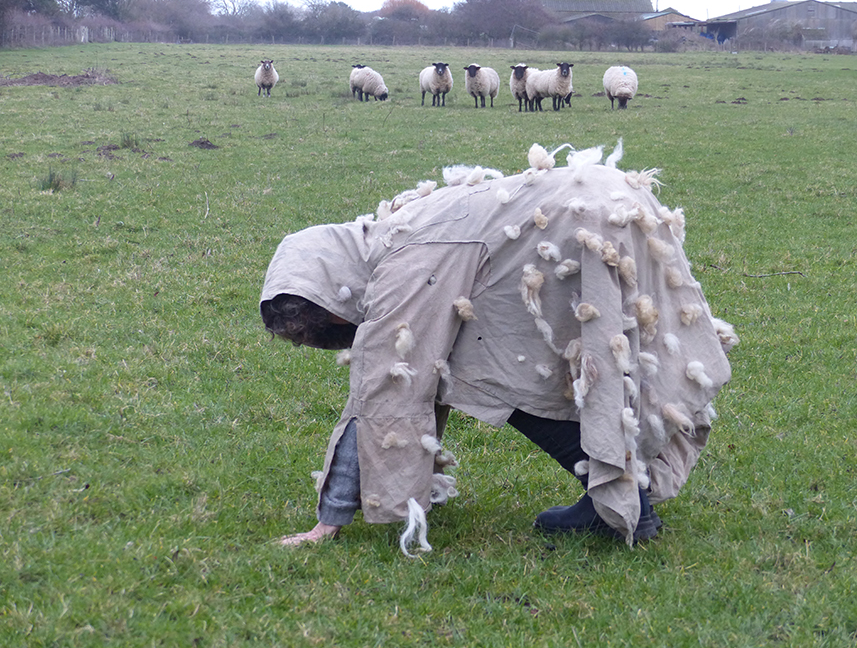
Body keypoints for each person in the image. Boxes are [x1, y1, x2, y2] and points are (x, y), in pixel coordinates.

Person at [260, 142, 736, 552]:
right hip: (614, 202)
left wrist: (330, 518)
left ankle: (618, 496)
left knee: (486, 373)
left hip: (585, 223)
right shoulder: (399, 229)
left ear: (329, 287)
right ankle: (617, 492)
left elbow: (383, 391)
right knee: (519, 360)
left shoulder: (402, 266)